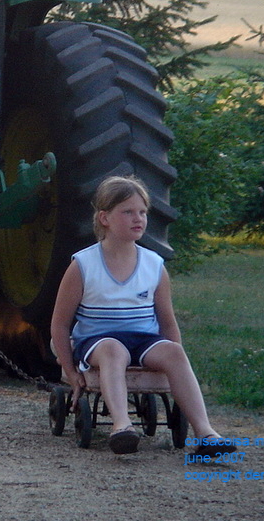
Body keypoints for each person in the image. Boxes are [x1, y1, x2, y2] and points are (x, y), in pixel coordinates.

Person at [49, 175, 233, 456]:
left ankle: (206, 433)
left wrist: (176, 355)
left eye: (143, 212)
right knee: (113, 350)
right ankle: (122, 427)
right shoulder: (83, 265)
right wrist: (72, 375)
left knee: (173, 352)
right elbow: (60, 324)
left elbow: (167, 322)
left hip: (143, 339)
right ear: (104, 218)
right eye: (128, 212)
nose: (139, 219)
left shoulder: (154, 264)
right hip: (98, 341)